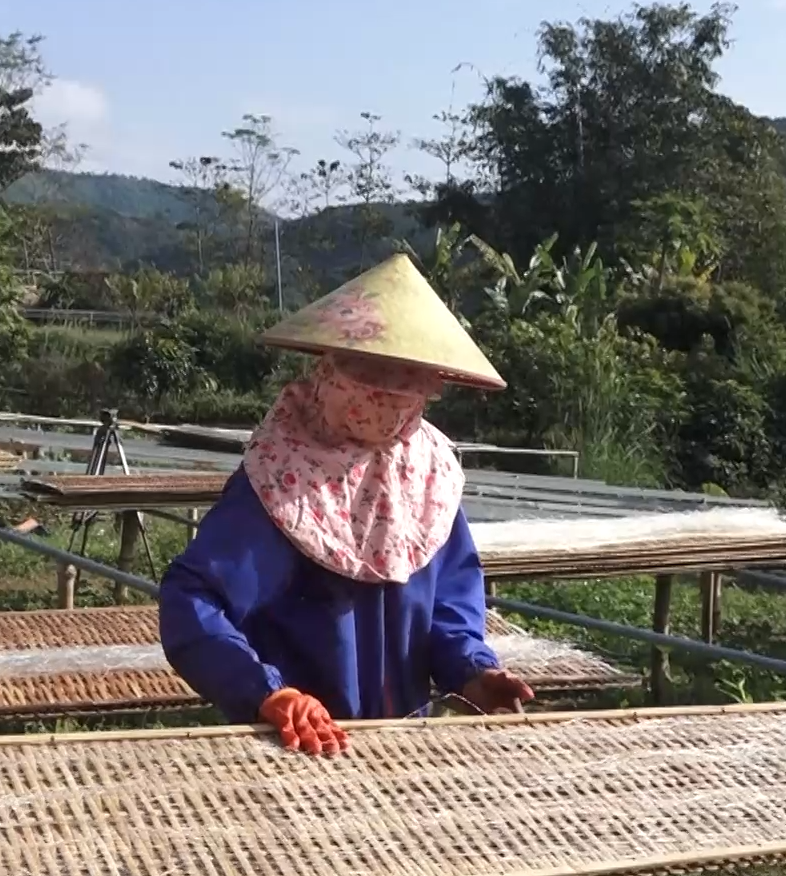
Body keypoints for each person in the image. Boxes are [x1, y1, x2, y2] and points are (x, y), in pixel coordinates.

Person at [158, 254, 534, 756]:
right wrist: (268, 692)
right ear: (330, 372)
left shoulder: (428, 478)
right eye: (373, 380)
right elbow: (194, 600)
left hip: (401, 746)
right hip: (296, 745)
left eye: (406, 385)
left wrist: (473, 673)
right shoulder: (284, 477)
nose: (389, 401)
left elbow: (449, 606)